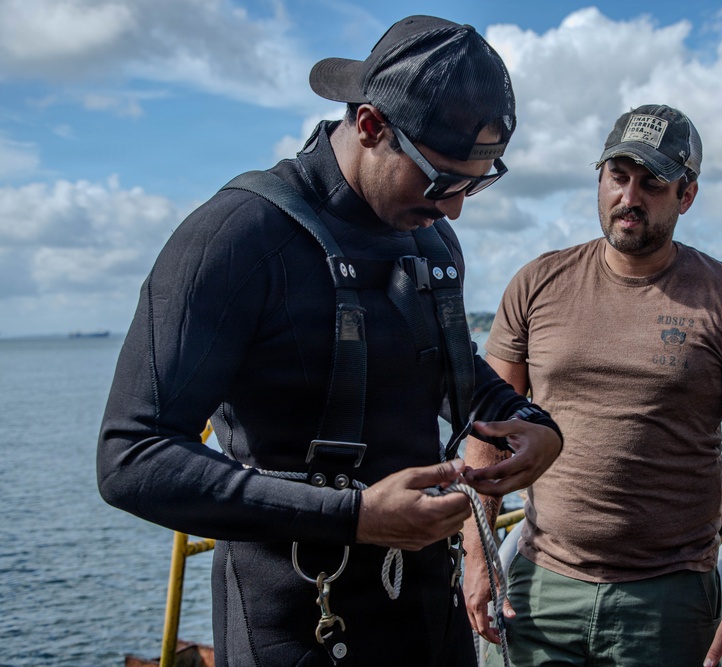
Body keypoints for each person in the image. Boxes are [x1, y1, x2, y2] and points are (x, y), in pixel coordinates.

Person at [97, 15, 563, 667]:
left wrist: (531, 422)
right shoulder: (236, 238)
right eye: (443, 181)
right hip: (298, 627)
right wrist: (350, 515)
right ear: (370, 126)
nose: (457, 208)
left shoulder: (429, 240)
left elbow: (457, 382)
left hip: (431, 617)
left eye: (476, 183)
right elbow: (132, 456)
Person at [462, 104, 722, 667]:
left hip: (667, 601)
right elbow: (488, 432)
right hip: (538, 589)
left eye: (652, 183)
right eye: (618, 176)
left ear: (686, 196)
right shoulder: (537, 283)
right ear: (600, 179)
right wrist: (478, 555)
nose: (629, 197)